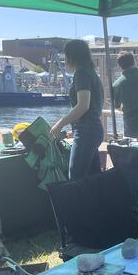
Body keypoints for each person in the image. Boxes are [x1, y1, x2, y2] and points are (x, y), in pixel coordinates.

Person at [50, 39, 104, 180]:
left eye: (66, 55)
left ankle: (77, 203)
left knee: (75, 177)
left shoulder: (81, 73)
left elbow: (83, 105)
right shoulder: (91, 72)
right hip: (93, 129)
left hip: (86, 131)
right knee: (94, 177)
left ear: (72, 56)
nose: (65, 58)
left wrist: (61, 122)